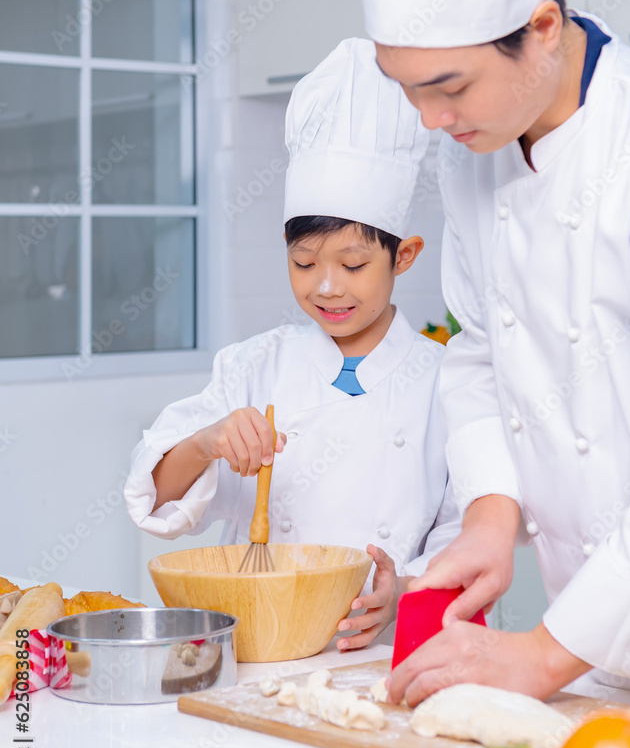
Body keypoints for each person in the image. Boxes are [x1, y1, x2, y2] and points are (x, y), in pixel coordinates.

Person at [354, 0, 630, 701]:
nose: (431, 122)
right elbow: (481, 350)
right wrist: (492, 514)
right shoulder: (479, 155)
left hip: (585, 646)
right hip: (598, 657)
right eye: (408, 90)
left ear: (542, 26)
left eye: (448, 87)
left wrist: (540, 657)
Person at [124, 37, 460, 650]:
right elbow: (158, 495)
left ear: (403, 256)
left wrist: (405, 589)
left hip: (374, 654)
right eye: (304, 263)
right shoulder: (257, 364)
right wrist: (207, 441)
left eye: (353, 264)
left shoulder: (446, 378)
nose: (326, 286)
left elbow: (464, 533)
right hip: (257, 649)